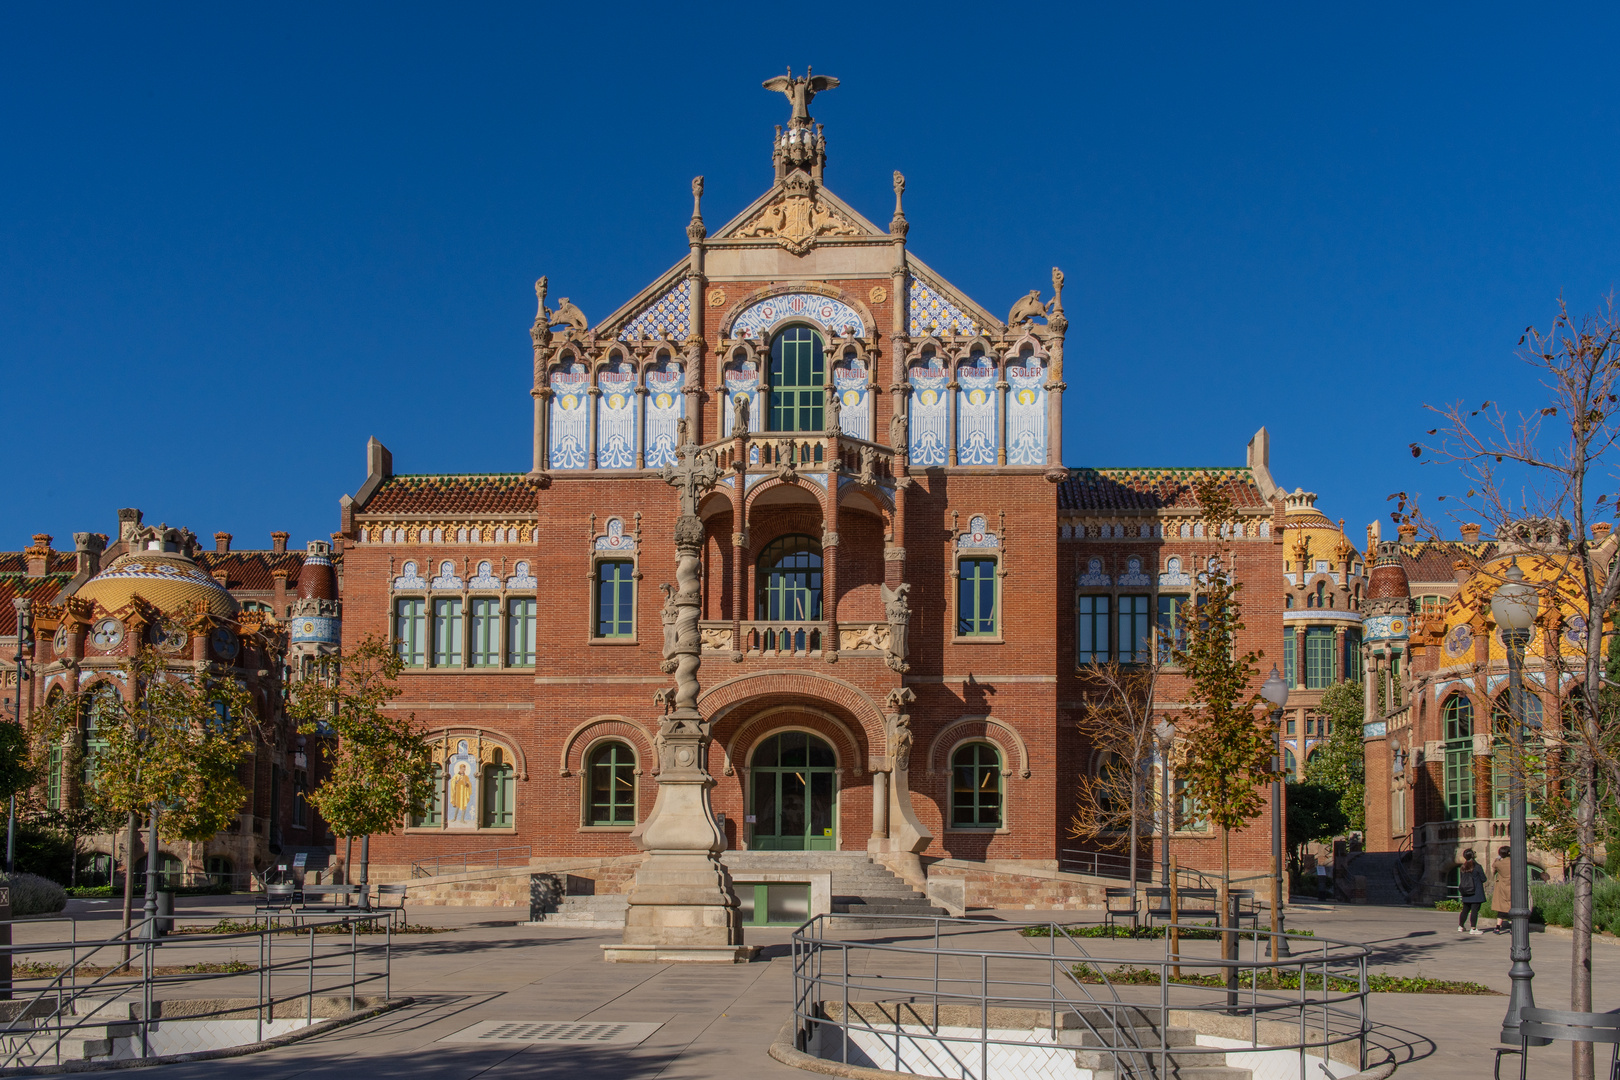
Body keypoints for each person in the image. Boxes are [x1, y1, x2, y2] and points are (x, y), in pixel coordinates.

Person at [1457, 848, 1487, 935]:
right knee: (1474, 911)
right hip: (1476, 892)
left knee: (1465, 910)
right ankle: (1473, 928)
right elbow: (1483, 879)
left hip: (1466, 892)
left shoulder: (1463, 867)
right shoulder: (1477, 867)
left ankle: (1461, 926)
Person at [1490, 845, 1513, 934]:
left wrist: (1498, 858)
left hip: (1502, 886)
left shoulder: (1499, 863)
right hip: (1512, 885)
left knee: (1501, 908)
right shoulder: (1513, 862)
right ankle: (1513, 927)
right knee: (1512, 907)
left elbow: (1494, 865)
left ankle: (1497, 927)